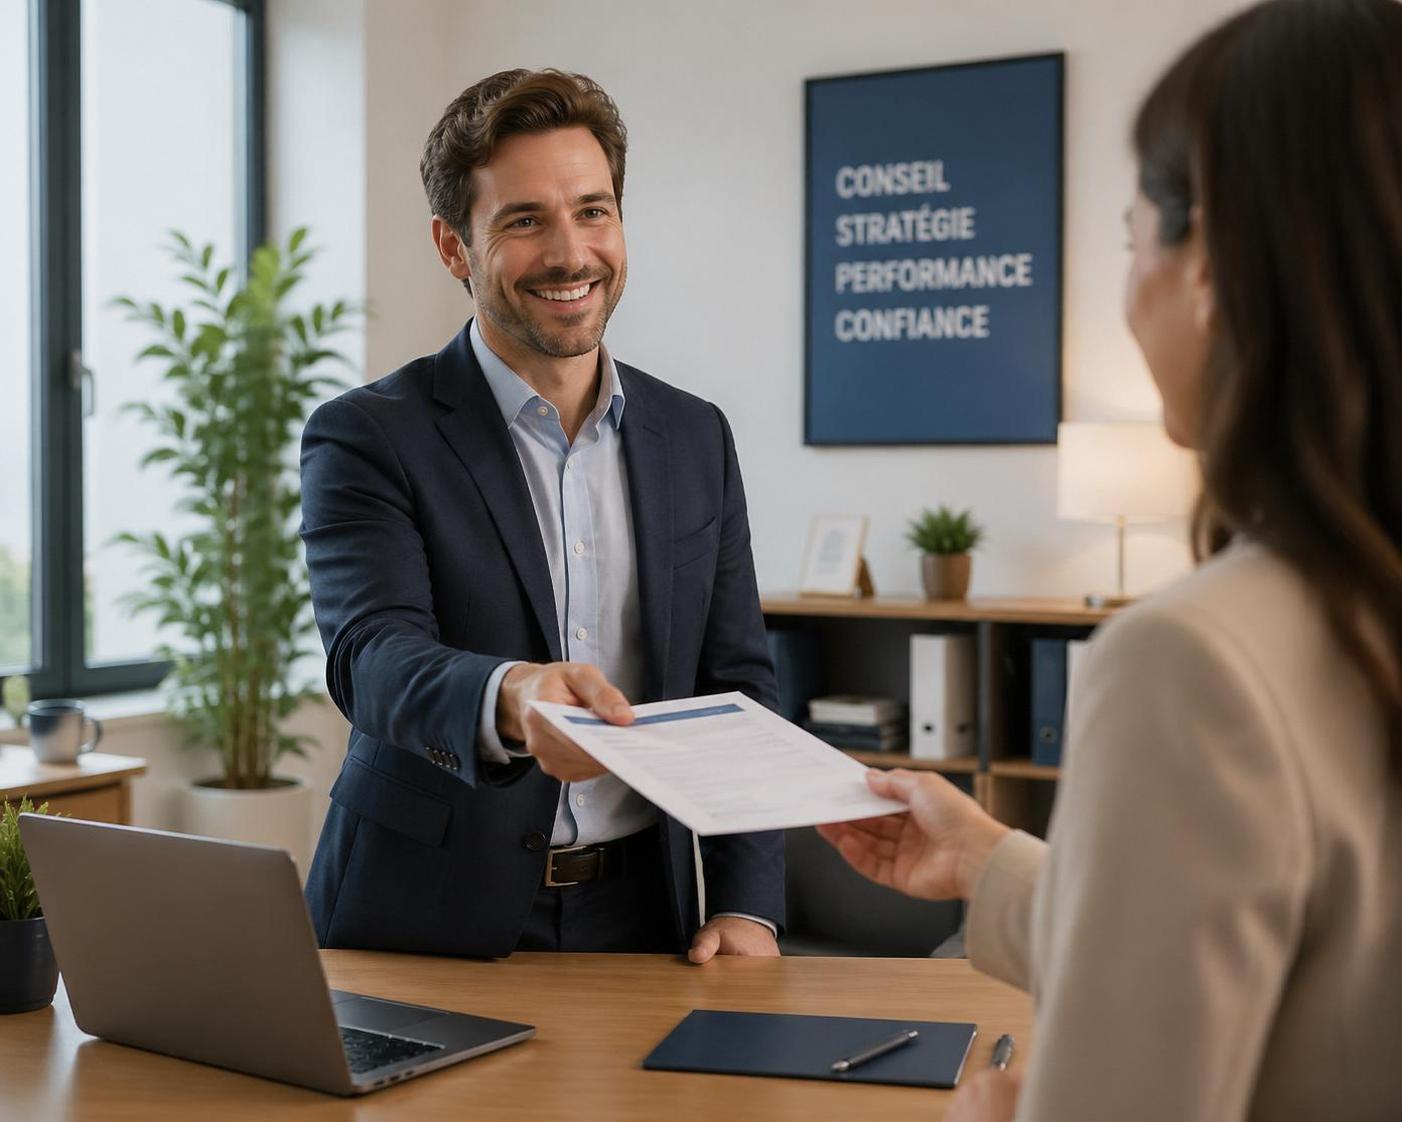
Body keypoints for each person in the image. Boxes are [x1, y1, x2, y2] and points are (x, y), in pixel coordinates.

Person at [820, 2, 1402, 1118]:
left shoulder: (1195, 663)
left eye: (1132, 235)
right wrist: (988, 860)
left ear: (1209, 266)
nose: (1127, 290)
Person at [299, 69, 783, 961]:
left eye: (593, 211)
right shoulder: (367, 435)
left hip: (648, 916)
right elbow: (369, 657)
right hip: (418, 916)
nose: (571, 254)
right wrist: (511, 697)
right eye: (525, 221)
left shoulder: (695, 435)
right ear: (454, 247)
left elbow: (738, 683)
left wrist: (749, 902)